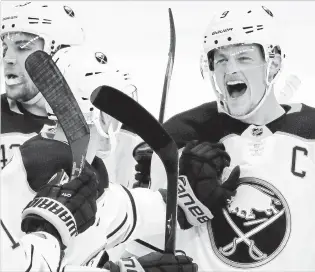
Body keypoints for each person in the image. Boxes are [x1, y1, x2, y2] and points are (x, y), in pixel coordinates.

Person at [132, 6, 315, 271]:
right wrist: (163, 196)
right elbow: (147, 248)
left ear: (274, 62)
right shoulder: (180, 136)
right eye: (221, 59)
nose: (230, 70)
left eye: (243, 57)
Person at [1, 45, 198, 272]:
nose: (120, 121)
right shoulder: (32, 179)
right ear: (100, 113)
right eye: (116, 111)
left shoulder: (83, 175)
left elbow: (126, 212)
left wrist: (186, 199)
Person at [1, 2, 140, 188]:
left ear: (61, 52)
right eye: (4, 47)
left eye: (23, 47)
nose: (7, 58)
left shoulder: (110, 124)